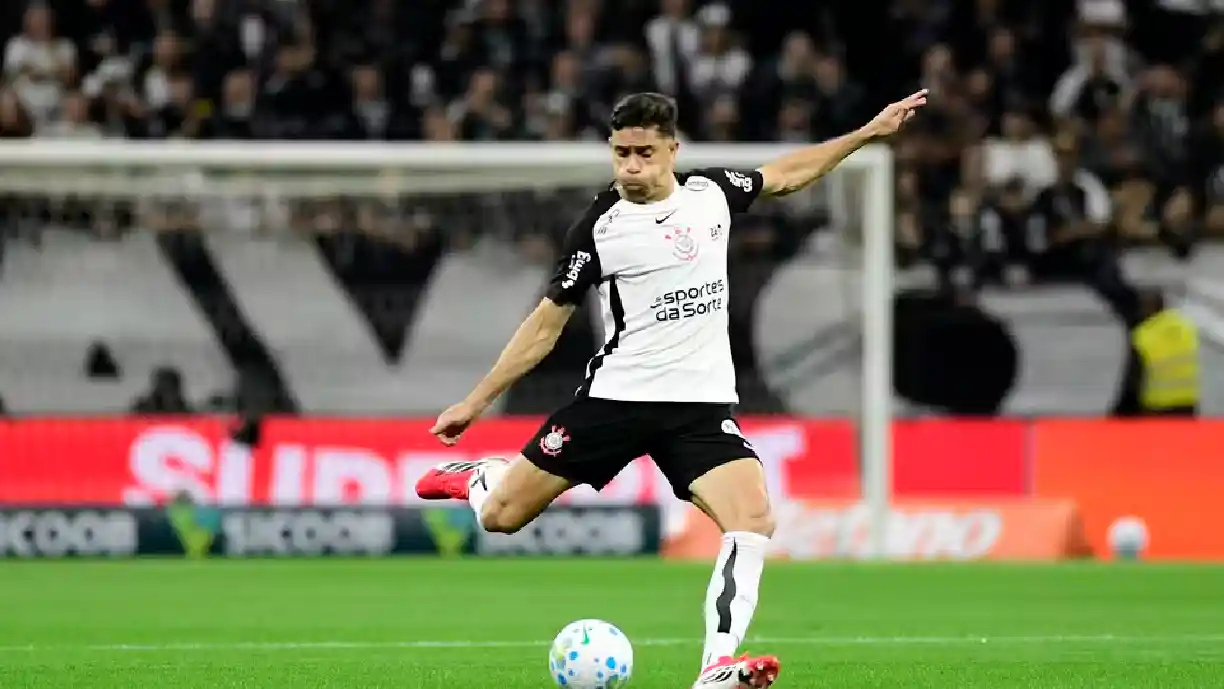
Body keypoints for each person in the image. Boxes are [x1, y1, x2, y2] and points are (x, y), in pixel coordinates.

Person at [415, 89, 927, 689]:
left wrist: (865, 132)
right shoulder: (600, 229)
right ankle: (481, 478)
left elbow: (785, 175)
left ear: (671, 151)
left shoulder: (711, 195)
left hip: (699, 409)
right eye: (621, 154)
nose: (631, 167)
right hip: (616, 401)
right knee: (502, 517)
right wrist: (475, 403)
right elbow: (544, 326)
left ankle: (716, 667)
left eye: (644, 154)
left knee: (753, 518)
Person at [1112, 288, 1200, 417]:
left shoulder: (1143, 336)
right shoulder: (1186, 328)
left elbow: (1133, 382)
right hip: (1188, 406)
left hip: (1156, 409)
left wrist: (1118, 414)